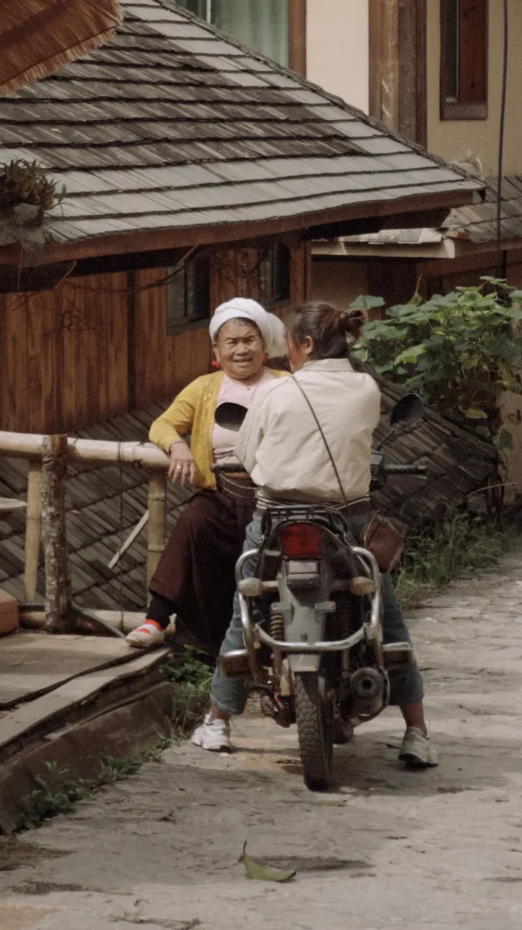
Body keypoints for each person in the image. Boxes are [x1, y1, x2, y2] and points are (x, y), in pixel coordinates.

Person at [190, 301, 437, 769]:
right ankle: (417, 732)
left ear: (304, 344)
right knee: (385, 618)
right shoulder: (366, 388)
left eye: (289, 344)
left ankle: (218, 722)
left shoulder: (277, 392)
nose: (287, 353)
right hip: (346, 520)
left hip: (276, 521)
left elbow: (247, 453)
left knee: (246, 610)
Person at [126, 297, 285, 655]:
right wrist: (178, 447)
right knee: (193, 521)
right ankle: (156, 619)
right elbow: (162, 424)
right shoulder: (204, 388)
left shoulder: (285, 384)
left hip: (275, 496)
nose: (241, 350)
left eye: (249, 340)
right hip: (222, 494)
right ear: (216, 349)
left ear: (263, 344)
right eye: (232, 342)